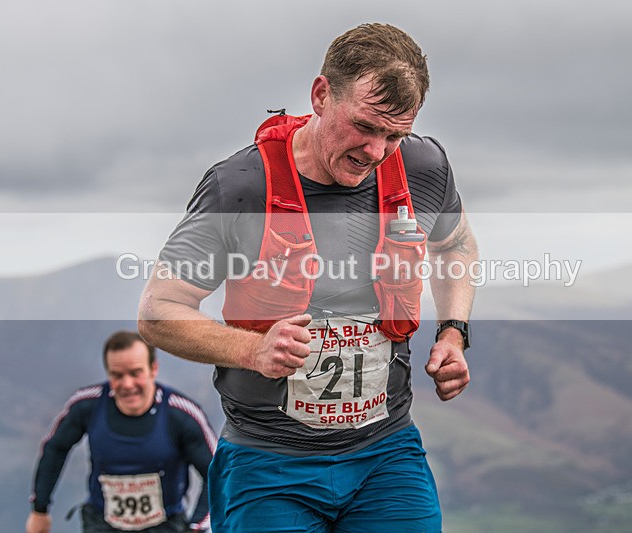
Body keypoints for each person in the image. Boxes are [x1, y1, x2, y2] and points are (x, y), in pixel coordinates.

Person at [138, 22, 478, 532]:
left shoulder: (424, 167)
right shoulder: (240, 188)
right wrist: (252, 351)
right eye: (365, 126)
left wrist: (454, 331)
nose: (376, 151)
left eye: (395, 134)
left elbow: (456, 245)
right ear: (321, 95)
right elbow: (158, 313)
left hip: (386, 455)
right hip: (268, 463)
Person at [26, 331, 217, 533]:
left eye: (135, 373)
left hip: (165, 524)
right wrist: (39, 510)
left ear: (153, 369)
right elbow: (55, 448)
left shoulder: (181, 414)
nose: (127, 384)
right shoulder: (87, 405)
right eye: (117, 375)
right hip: (101, 523)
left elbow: (217, 472)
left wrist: (196, 528)